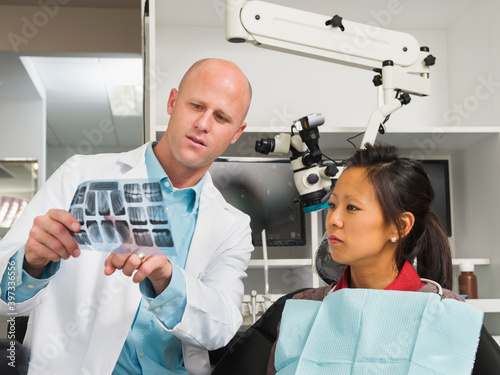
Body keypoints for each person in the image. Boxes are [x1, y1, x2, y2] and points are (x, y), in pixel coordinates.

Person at [0, 58, 254, 375]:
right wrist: (31, 263)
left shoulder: (232, 226)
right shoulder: (80, 173)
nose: (203, 123)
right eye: (196, 106)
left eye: (221, 117)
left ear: (236, 132)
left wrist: (166, 279)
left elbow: (221, 328)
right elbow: (5, 297)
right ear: (173, 102)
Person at [267, 143, 461, 374]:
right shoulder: (306, 308)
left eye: (352, 207)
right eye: (332, 205)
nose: (333, 220)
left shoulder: (443, 312)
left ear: (399, 226)